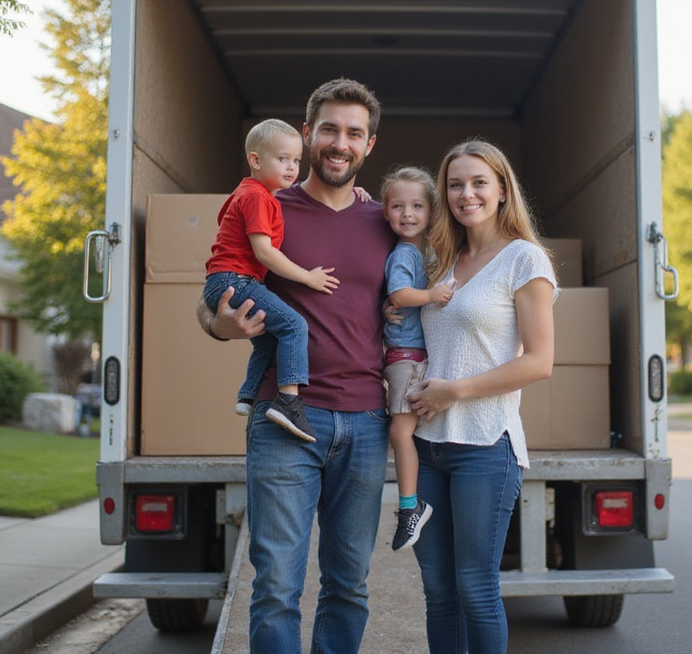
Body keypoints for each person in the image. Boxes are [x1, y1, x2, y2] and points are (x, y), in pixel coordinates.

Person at [198, 78, 394, 654]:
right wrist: (219, 325)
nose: (340, 143)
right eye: (329, 129)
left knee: (348, 586)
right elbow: (210, 295)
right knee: (278, 586)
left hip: (365, 421)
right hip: (285, 421)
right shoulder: (265, 203)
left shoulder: (387, 222)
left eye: (354, 133)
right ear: (308, 134)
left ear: (369, 145)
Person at [406, 138, 556, 654]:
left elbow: (539, 361)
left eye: (478, 183)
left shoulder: (523, 259)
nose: (465, 194)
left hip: (486, 448)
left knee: (476, 588)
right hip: (426, 448)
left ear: (501, 191)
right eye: (454, 184)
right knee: (438, 591)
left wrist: (454, 391)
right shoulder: (439, 260)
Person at [203, 118, 339, 442]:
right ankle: (289, 402)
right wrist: (308, 277)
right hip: (236, 280)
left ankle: (248, 395)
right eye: (283, 159)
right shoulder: (258, 197)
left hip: (224, 280)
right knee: (294, 326)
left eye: (296, 160)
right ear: (255, 160)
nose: (292, 168)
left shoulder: (248, 192)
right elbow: (264, 252)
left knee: (267, 339)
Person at [378, 166, 453, 551]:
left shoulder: (411, 252)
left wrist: (428, 297)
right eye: (397, 206)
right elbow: (399, 295)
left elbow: (404, 294)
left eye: (417, 206)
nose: (407, 214)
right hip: (409, 355)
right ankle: (413, 501)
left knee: (399, 432)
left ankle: (410, 506)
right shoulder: (410, 252)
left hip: (408, 358)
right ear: (385, 211)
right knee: (406, 433)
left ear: (431, 211)